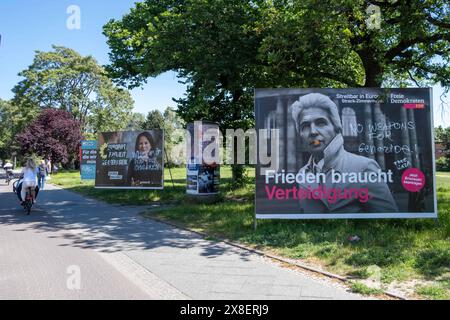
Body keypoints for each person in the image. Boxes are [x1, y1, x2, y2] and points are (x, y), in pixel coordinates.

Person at [291, 93, 398, 213]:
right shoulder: (302, 173)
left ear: (336, 127)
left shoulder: (364, 167)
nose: (313, 132)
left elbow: (389, 218)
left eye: (321, 122)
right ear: (300, 133)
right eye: (305, 126)